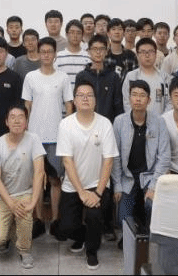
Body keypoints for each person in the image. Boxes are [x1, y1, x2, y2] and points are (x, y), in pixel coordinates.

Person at [57, 80, 119, 270]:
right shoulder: (66, 124)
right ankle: (82, 236)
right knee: (64, 228)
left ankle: (92, 251)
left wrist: (98, 193)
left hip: (97, 184)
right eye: (81, 95)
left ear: (95, 100)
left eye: (89, 95)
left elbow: (108, 160)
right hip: (73, 185)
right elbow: (67, 161)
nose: (85, 98)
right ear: (74, 101)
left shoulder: (105, 123)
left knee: (94, 215)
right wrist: (81, 192)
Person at [21, 37, 73, 238]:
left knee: (55, 179)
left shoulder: (63, 77)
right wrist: (25, 130)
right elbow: (27, 106)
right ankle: (39, 220)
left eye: (49, 52)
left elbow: (69, 106)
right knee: (36, 180)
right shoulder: (30, 77)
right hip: (34, 136)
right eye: (42, 52)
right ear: (38, 54)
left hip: (57, 137)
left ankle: (56, 219)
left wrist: (67, 130)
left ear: (55, 54)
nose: (46, 55)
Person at [0, 104, 45, 269]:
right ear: (6, 122)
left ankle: (24, 250)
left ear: (26, 122)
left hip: (25, 193)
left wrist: (33, 202)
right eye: (12, 117)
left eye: (21, 117)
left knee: (25, 213)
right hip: (4, 196)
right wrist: (11, 204)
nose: (17, 121)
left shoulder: (33, 139)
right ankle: (9, 233)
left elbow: (39, 172)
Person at [112, 79, 171, 229]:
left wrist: (154, 186)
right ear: (129, 98)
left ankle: (149, 235)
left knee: (152, 207)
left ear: (149, 100)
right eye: (134, 94)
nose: (138, 99)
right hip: (127, 178)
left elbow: (164, 157)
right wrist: (117, 186)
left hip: (150, 177)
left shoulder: (159, 122)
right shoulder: (119, 122)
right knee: (122, 221)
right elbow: (115, 156)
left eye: (142, 95)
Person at [75, 35, 124, 122]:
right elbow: (77, 103)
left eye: (101, 49)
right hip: (86, 123)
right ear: (89, 51)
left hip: (108, 124)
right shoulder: (81, 76)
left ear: (106, 51)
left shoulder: (113, 77)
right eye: (95, 49)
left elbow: (118, 105)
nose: (98, 52)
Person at [122, 38, 171, 117]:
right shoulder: (131, 76)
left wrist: (162, 120)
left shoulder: (165, 77)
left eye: (150, 51)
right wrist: (136, 120)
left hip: (160, 121)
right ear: (137, 55)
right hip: (136, 121)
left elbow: (170, 102)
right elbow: (127, 102)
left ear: (156, 54)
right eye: (143, 52)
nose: (147, 55)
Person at [55, 20, 91, 91]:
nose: (75, 36)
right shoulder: (58, 57)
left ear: (82, 36)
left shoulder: (89, 58)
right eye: (72, 32)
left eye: (78, 33)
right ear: (66, 35)